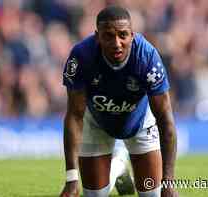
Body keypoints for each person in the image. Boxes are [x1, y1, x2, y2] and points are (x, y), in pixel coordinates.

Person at [60, 6, 178, 197]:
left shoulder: (147, 57)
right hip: (96, 122)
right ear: (97, 37)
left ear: (132, 35)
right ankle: (119, 167)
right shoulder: (80, 57)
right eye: (108, 36)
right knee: (96, 195)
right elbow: (74, 116)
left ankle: (119, 163)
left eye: (123, 35)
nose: (117, 43)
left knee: (152, 195)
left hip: (139, 122)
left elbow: (165, 119)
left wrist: (169, 183)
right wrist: (72, 179)